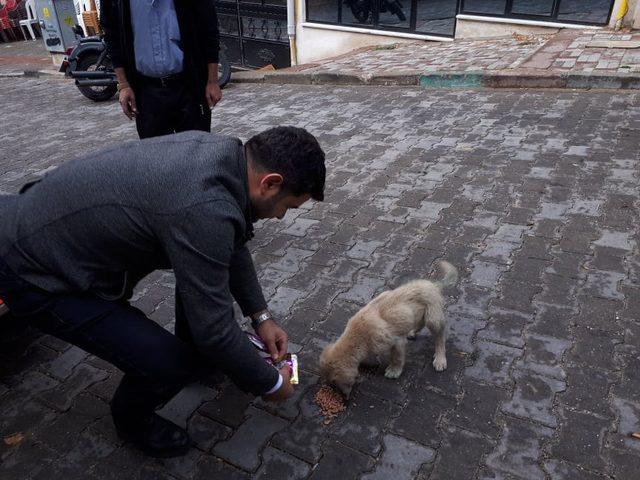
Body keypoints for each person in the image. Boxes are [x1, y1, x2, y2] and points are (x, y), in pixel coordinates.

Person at [0, 126, 326, 458]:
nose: (279, 216)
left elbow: (230, 239)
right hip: (36, 273)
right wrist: (271, 384)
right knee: (169, 363)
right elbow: (213, 329)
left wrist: (261, 317)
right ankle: (132, 421)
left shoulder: (224, 156)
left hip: (47, 232)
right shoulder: (205, 205)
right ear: (269, 183)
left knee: (203, 300)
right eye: (287, 207)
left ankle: (203, 360)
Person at [100, 0, 222, 139]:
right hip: (146, 92)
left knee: (196, 154)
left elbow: (210, 28)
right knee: (156, 157)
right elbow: (111, 34)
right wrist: (123, 84)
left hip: (189, 87)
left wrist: (212, 81)